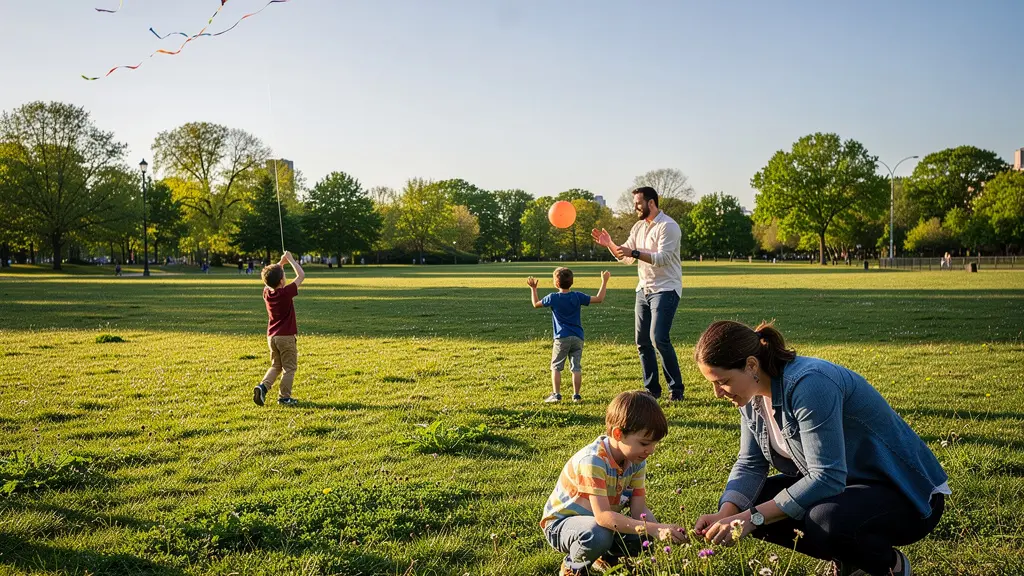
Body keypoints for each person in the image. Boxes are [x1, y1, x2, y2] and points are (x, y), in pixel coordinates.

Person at [691, 320, 948, 576]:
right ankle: (851, 561)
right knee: (749, 500)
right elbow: (750, 463)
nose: (717, 393)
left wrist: (752, 518)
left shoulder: (810, 384)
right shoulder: (750, 395)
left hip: (906, 494)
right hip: (848, 488)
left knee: (823, 519)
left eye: (722, 381)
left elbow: (827, 476)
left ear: (751, 365)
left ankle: (890, 566)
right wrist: (727, 514)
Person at [541, 391, 687, 576]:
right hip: (562, 525)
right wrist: (655, 529)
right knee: (598, 533)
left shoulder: (636, 461)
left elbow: (638, 511)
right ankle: (573, 567)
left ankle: (606, 558)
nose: (650, 450)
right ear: (618, 433)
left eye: (654, 444)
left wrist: (665, 530)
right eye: (644, 443)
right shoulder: (593, 460)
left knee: (645, 537)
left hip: (600, 522)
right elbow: (602, 517)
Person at [591, 186, 684, 401]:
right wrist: (610, 244)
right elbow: (626, 257)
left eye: (638, 203)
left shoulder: (668, 226)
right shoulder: (639, 227)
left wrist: (633, 252)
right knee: (642, 341)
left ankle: (676, 389)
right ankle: (652, 390)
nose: (635, 207)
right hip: (643, 289)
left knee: (658, 338)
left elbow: (663, 258)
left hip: (666, 288)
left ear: (651, 203)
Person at [527, 268, 610, 403]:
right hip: (578, 337)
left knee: (556, 367)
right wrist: (604, 281)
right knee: (576, 367)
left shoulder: (553, 297)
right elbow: (599, 299)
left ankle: (556, 395)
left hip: (561, 337)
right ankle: (576, 396)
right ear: (571, 281)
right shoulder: (577, 296)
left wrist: (533, 288)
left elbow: (536, 304)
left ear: (556, 283)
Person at [253, 251, 305, 407]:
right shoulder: (285, 293)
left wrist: (280, 264)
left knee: (276, 365)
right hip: (286, 337)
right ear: (282, 280)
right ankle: (284, 397)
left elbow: (269, 280)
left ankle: (263, 386)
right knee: (289, 368)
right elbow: (301, 275)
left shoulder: (267, 293)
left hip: (272, 337)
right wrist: (290, 260)